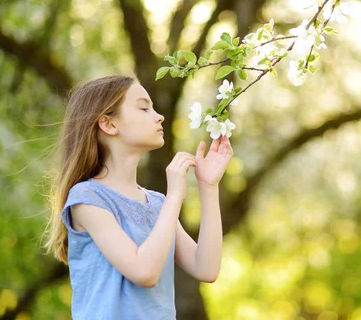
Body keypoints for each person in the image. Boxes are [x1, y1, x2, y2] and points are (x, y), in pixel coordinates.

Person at [42, 75, 234, 319]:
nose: (159, 116)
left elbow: (205, 268)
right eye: (144, 108)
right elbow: (145, 272)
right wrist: (175, 196)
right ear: (109, 124)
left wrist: (208, 186)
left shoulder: (156, 204)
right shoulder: (87, 198)